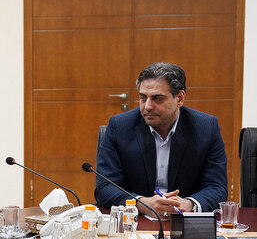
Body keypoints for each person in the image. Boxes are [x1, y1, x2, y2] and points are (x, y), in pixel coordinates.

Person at [95, 62, 228, 214]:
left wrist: (189, 204)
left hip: (184, 220)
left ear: (179, 98)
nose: (147, 106)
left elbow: (217, 187)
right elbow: (105, 187)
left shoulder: (206, 128)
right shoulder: (119, 127)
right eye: (143, 98)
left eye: (157, 98)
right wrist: (142, 203)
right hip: (136, 221)